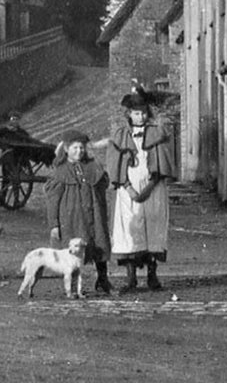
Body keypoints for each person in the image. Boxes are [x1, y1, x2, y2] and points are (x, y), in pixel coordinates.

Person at [104, 86, 176, 292]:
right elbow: (115, 164)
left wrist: (150, 186)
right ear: (129, 114)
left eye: (144, 112)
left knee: (153, 228)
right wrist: (128, 187)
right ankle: (131, 277)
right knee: (130, 228)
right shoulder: (120, 135)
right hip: (128, 191)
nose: (141, 116)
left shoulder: (156, 133)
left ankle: (152, 275)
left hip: (153, 189)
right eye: (136, 113)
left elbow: (162, 162)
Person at [43, 129, 114, 295]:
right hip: (72, 216)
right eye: (75, 148)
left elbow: (102, 185)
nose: (79, 151)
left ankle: (103, 279)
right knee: (73, 249)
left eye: (82, 148)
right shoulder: (60, 171)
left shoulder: (93, 166)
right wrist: (54, 223)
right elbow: (53, 200)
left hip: (94, 212)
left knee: (99, 242)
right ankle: (72, 285)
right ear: (66, 149)